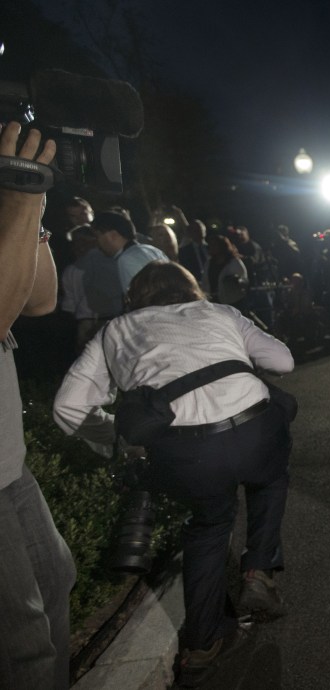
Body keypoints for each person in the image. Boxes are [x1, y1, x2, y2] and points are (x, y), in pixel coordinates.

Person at [52, 261, 294, 687]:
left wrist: (116, 435)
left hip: (187, 453)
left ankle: (201, 647)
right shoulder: (220, 312)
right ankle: (258, 569)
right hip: (255, 430)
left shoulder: (115, 330)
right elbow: (284, 361)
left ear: (136, 297)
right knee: (270, 477)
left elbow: (67, 408)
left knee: (208, 526)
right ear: (191, 288)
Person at [0, 121, 77, 690]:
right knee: (21, 640)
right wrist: (21, 198)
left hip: (9, 467)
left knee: (55, 579)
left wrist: (32, 204)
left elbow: (42, 301)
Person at [92, 210, 168, 302]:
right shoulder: (151, 249)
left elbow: (139, 301)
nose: (96, 242)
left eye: (97, 236)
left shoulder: (126, 259)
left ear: (113, 235)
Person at [203, 234, 249, 309]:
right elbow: (205, 281)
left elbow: (243, 280)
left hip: (232, 302)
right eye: (211, 245)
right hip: (213, 302)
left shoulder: (234, 262)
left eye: (215, 245)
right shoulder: (209, 263)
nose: (212, 247)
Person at [179, 218, 209, 284]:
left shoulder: (212, 248)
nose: (198, 232)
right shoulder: (184, 251)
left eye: (199, 229)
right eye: (194, 230)